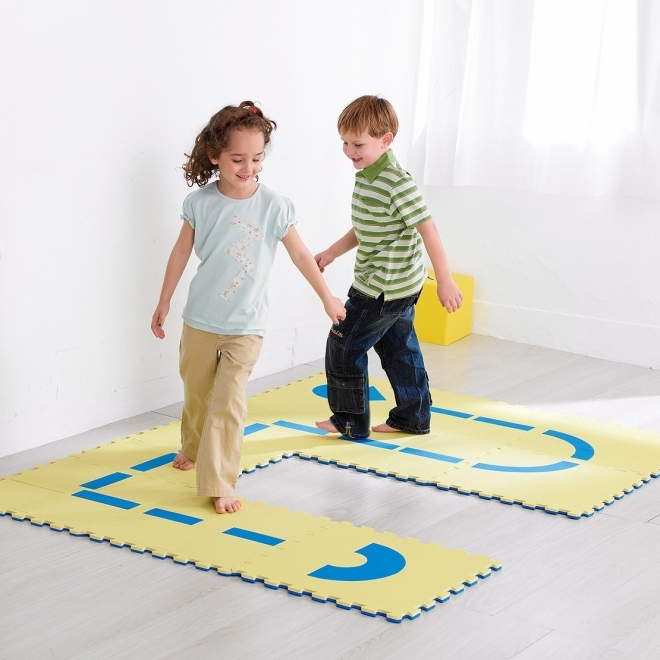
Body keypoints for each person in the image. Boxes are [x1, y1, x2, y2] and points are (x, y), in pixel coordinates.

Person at [151, 101, 346, 514]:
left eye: (257, 159)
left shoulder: (274, 206)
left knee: (228, 402)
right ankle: (193, 446)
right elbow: (180, 252)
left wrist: (327, 297)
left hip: (246, 324)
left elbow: (300, 255)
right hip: (200, 319)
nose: (248, 167)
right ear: (214, 156)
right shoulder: (200, 203)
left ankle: (220, 481)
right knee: (197, 393)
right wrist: (164, 299)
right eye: (238, 159)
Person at [314, 95, 463, 439]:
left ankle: (350, 420)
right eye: (345, 143)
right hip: (399, 285)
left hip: (382, 287)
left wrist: (445, 280)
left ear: (385, 140)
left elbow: (428, 228)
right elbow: (366, 227)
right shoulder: (369, 175)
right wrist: (332, 252)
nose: (349, 151)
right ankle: (413, 417)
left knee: (344, 345)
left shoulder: (396, 181)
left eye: (358, 144)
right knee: (399, 350)